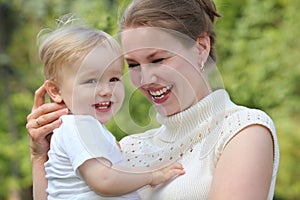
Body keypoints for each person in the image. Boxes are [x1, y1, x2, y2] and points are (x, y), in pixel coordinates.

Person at [26, 0, 280, 199]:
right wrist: (41, 156)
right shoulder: (129, 147)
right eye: (133, 65)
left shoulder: (242, 130)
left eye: (158, 59)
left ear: (201, 47)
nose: (145, 78)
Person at [33, 20, 185, 200]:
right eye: (91, 81)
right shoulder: (79, 126)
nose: (106, 91)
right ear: (56, 91)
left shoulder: (86, 129)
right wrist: (152, 175)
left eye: (113, 79)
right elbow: (103, 180)